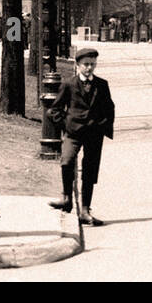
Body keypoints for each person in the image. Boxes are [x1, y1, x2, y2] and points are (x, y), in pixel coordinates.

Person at [49, 45, 115, 226]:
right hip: (73, 133)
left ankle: (85, 210)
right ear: (78, 65)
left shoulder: (102, 85)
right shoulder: (69, 84)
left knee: (90, 170)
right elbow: (54, 109)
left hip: (94, 134)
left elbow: (110, 108)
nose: (89, 68)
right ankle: (66, 198)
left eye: (93, 64)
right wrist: (65, 124)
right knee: (67, 161)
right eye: (86, 64)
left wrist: (103, 126)